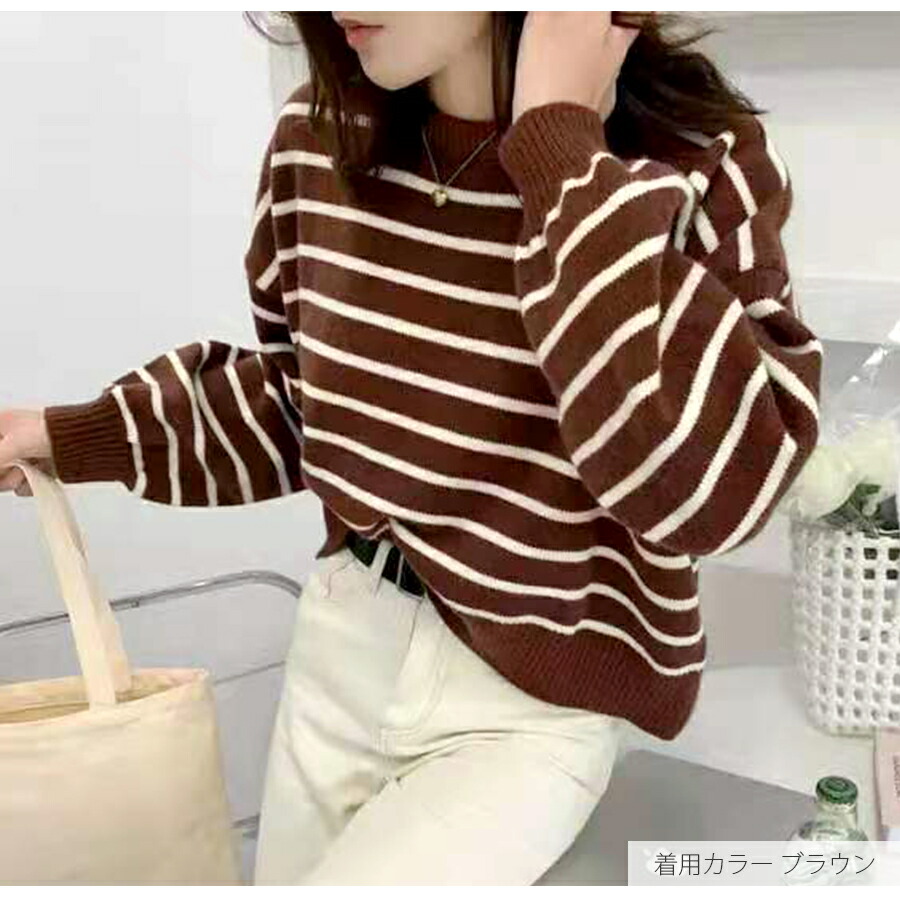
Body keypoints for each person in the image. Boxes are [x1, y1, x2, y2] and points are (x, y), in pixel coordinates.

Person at [0, 11, 822, 886]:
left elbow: (713, 497)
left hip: (528, 709)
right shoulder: (317, 139)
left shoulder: (696, 160)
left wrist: (559, 152)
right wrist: (73, 436)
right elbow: (303, 406)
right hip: (339, 651)